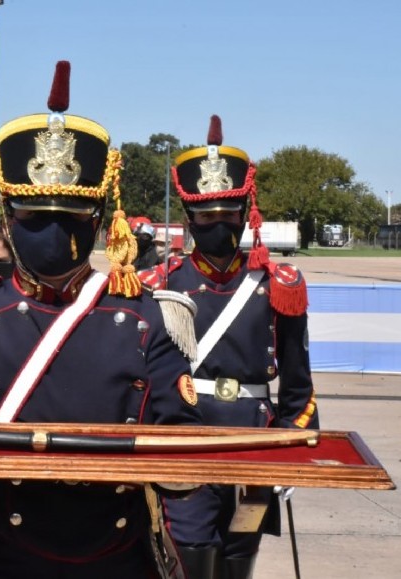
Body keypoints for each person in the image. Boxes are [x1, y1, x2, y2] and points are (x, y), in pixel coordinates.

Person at [0, 61, 202, 579]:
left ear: (97, 223)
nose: (54, 235)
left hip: (118, 555)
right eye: (35, 219)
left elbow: (180, 458)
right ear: (9, 220)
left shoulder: (152, 318)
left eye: (71, 220)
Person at [139, 115, 319, 579]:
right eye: (207, 215)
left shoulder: (279, 285)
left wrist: (289, 452)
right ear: (189, 219)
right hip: (185, 449)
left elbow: (299, 388)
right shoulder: (160, 285)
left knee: (239, 562)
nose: (218, 224)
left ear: (245, 214)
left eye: (228, 214)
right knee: (193, 560)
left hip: (252, 451)